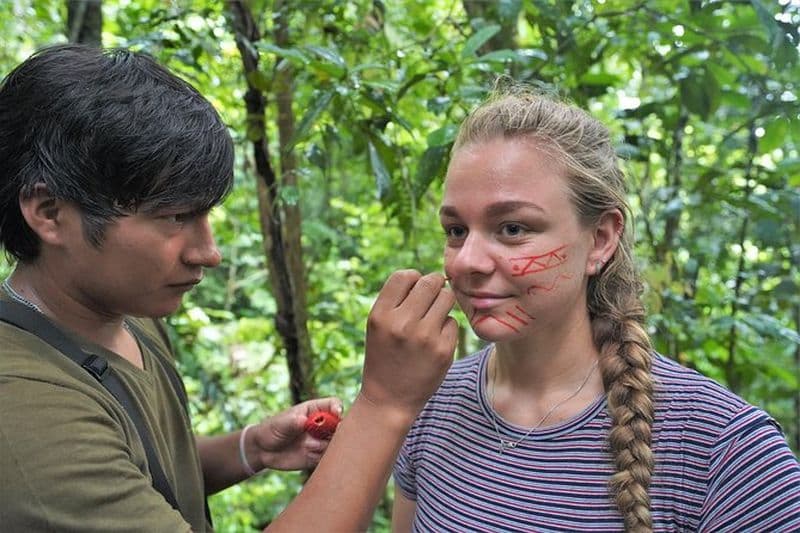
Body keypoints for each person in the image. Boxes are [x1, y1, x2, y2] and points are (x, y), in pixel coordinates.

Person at [0, 44, 458, 532]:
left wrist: (248, 448)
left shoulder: (125, 312)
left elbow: (130, 471)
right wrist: (385, 404)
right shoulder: (23, 411)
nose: (208, 252)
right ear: (49, 213)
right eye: (174, 216)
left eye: (204, 213)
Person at [391, 86, 800, 532]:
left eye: (512, 228)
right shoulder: (428, 403)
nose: (466, 260)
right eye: (455, 230)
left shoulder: (723, 448)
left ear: (601, 239)